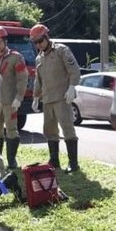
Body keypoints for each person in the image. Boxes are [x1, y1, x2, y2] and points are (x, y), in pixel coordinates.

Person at [30, 24, 81, 173]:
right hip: (47, 99)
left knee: (67, 129)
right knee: (50, 130)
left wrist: (72, 86)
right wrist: (35, 97)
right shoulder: (39, 58)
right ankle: (54, 160)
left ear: (47, 37)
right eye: (35, 42)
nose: (39, 44)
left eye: (40, 40)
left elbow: (74, 70)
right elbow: (38, 80)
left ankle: (73, 163)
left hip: (62, 97)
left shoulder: (61, 51)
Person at [0, 26, 29, 169]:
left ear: (5, 41)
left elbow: (23, 78)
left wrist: (19, 97)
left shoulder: (15, 57)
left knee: (11, 130)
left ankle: (11, 160)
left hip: (10, 101)